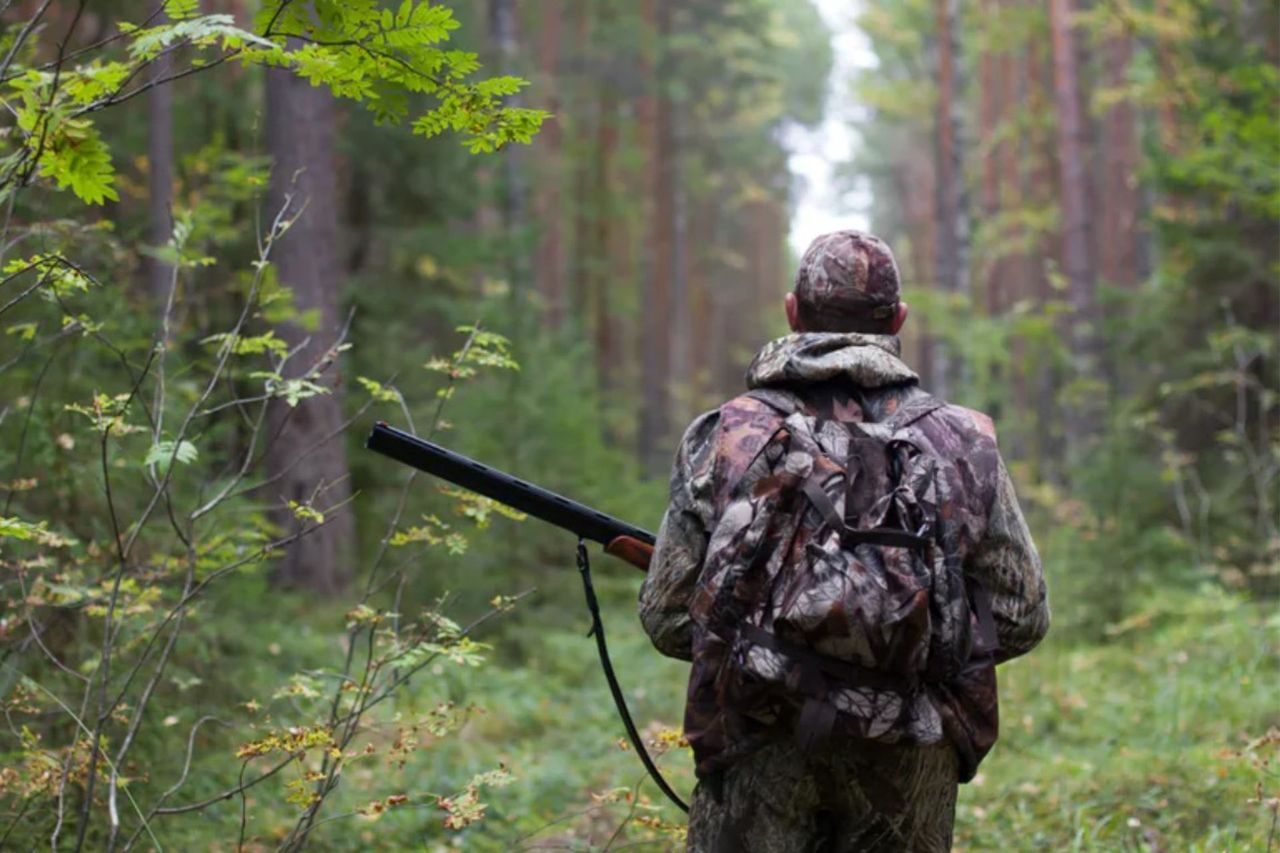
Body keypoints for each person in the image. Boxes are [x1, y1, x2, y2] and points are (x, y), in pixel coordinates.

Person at [639, 230, 1050, 852]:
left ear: (793, 312)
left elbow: (668, 617)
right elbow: (1022, 616)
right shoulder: (963, 440)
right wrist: (902, 653)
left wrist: (773, 648)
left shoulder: (726, 435)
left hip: (758, 741)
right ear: (898, 320)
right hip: (914, 749)